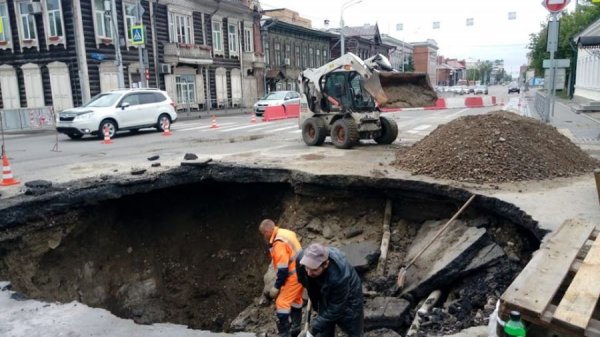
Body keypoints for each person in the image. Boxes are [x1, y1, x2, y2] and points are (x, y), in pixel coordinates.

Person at [296, 243, 364, 337]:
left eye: (314, 269)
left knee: (353, 328)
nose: (308, 272)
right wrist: (316, 299)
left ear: (326, 264)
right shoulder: (301, 259)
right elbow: (303, 279)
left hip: (349, 297)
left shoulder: (339, 276)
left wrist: (312, 331)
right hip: (325, 290)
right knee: (324, 328)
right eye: (307, 267)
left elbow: (335, 308)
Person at [259, 219, 304, 337]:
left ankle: (285, 333)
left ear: (268, 231)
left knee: (281, 303)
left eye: (263, 233)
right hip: (301, 272)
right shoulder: (285, 233)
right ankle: (296, 328)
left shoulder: (279, 243)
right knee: (296, 300)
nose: (263, 236)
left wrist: (276, 287)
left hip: (294, 276)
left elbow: (283, 270)